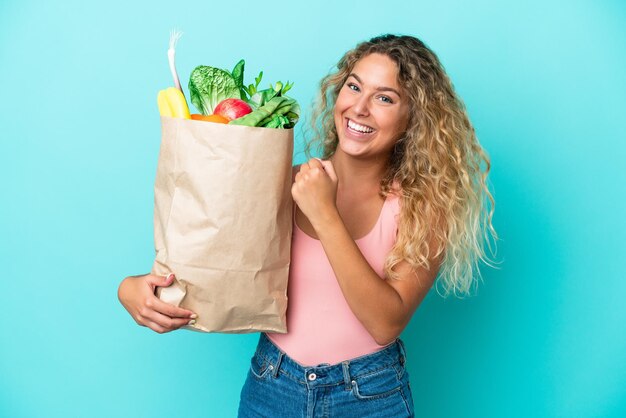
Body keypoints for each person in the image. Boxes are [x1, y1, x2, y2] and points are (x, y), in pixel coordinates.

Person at [118, 34, 497, 417]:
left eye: (385, 98)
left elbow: (385, 323)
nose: (360, 107)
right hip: (272, 385)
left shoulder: (422, 208)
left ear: (414, 118)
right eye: (354, 87)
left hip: (369, 396)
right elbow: (213, 265)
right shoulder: (279, 182)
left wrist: (325, 213)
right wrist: (132, 290)